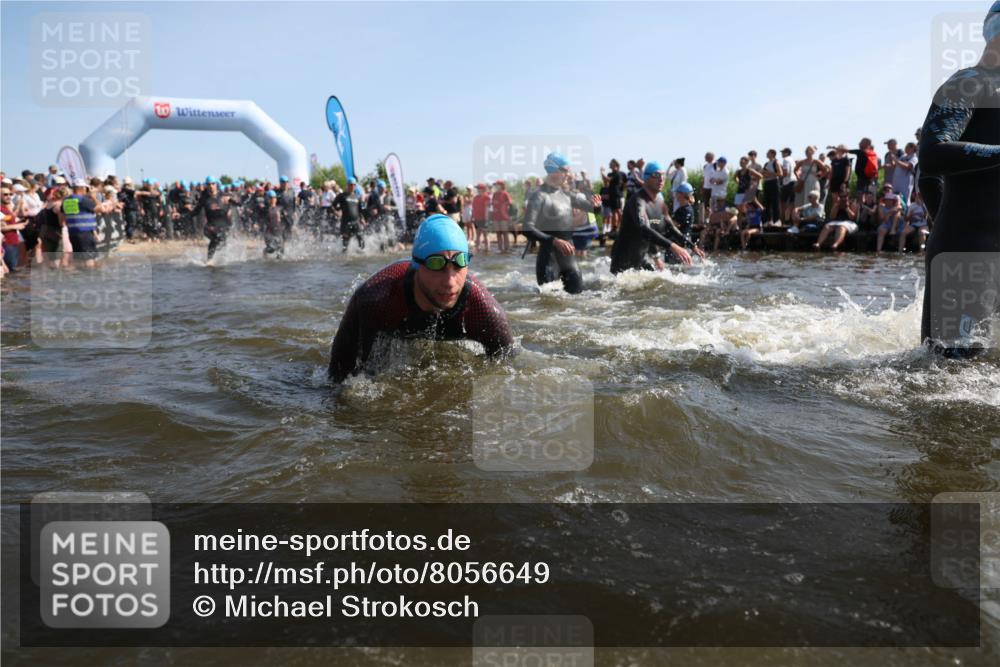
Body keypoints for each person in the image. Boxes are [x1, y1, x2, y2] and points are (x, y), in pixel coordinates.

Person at [327, 214, 514, 382]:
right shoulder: (377, 298)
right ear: (416, 266)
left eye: (459, 263)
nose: (450, 282)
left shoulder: (483, 310)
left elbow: (507, 369)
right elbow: (339, 376)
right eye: (436, 264)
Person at [919, 2, 1000, 355]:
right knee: (949, 375)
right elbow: (932, 157)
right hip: (967, 254)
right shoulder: (969, 83)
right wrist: (949, 232)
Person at [522, 153, 601, 293]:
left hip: (569, 261)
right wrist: (554, 241)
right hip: (548, 261)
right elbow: (527, 228)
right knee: (550, 308)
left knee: (578, 301)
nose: (568, 174)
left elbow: (592, 209)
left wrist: (596, 206)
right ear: (553, 170)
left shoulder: (567, 195)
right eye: (565, 170)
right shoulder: (539, 195)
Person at [610, 161, 694, 273]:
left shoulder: (659, 201)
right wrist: (672, 246)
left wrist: (692, 246)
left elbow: (669, 226)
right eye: (656, 175)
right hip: (622, 262)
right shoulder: (638, 200)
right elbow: (643, 228)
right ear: (646, 178)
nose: (661, 179)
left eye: (663, 175)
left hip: (640, 259)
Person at [59, 179, 117, 267]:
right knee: (89, 258)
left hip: (73, 232)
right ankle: (89, 277)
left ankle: (80, 278)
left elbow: (62, 217)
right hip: (85, 233)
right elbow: (101, 209)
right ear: (82, 188)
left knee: (78, 258)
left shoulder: (66, 200)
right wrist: (93, 197)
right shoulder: (83, 200)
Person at [192, 176, 233, 262]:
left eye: (213, 184)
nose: (211, 186)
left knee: (223, 241)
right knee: (215, 239)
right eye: (209, 184)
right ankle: (209, 260)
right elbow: (196, 211)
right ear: (206, 186)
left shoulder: (222, 195)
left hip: (221, 226)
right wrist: (186, 215)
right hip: (209, 227)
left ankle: (219, 259)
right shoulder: (203, 198)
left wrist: (231, 204)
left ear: (216, 185)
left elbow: (233, 203)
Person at [814, 183, 858, 250]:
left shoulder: (852, 203)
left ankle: (835, 245)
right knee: (827, 226)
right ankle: (818, 244)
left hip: (849, 222)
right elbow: (832, 217)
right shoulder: (837, 203)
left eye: (845, 196)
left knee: (841, 227)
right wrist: (836, 207)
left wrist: (847, 208)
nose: (843, 198)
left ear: (848, 196)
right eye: (841, 196)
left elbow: (853, 217)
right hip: (836, 221)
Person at [334, 177, 364, 251]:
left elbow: (360, 210)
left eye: (354, 185)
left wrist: (362, 218)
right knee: (345, 244)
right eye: (350, 185)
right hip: (345, 223)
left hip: (356, 222)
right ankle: (344, 258)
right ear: (347, 185)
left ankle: (360, 256)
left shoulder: (357, 197)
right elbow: (333, 205)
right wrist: (337, 211)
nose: (352, 186)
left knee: (361, 240)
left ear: (355, 186)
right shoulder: (342, 196)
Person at [600, 159, 627, 235]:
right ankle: (614, 228)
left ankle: (624, 226)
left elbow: (608, 179)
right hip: (612, 195)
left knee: (618, 211)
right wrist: (603, 174)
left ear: (615, 165)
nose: (610, 164)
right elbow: (606, 181)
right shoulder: (610, 173)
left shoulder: (617, 173)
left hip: (616, 195)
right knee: (614, 211)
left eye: (611, 163)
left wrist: (602, 172)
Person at [490, 180, 513, 254]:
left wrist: (502, 204)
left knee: (505, 233)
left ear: (501, 185)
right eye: (495, 185)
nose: (496, 186)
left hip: (504, 216)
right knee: (498, 233)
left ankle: (507, 248)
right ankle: (500, 249)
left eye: (497, 185)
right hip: (496, 216)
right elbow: (492, 203)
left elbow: (510, 202)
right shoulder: (495, 194)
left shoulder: (505, 193)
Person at [470, 183, 491, 255]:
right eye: (477, 189)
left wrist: (487, 219)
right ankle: (478, 248)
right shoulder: (475, 198)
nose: (478, 190)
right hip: (476, 218)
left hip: (484, 219)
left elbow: (487, 209)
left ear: (483, 189)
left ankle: (487, 249)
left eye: (479, 188)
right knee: (478, 234)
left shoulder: (487, 197)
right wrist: (472, 217)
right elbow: (473, 209)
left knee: (485, 234)